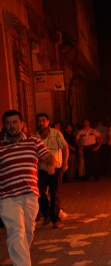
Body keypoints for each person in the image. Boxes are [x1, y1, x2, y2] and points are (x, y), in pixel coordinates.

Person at [0, 110, 56, 265]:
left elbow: (48, 156)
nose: (11, 126)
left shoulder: (33, 141)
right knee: (16, 232)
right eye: (8, 123)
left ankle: (20, 258)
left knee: (28, 232)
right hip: (7, 197)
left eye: (15, 122)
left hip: (30, 194)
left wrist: (50, 165)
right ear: (4, 125)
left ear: (22, 123)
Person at [36, 113, 69, 229]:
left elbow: (65, 147)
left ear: (48, 122)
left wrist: (65, 162)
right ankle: (46, 213)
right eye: (39, 121)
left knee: (55, 193)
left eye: (43, 120)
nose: (41, 123)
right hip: (41, 169)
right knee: (39, 192)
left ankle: (55, 219)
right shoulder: (35, 137)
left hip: (56, 167)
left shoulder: (56, 133)